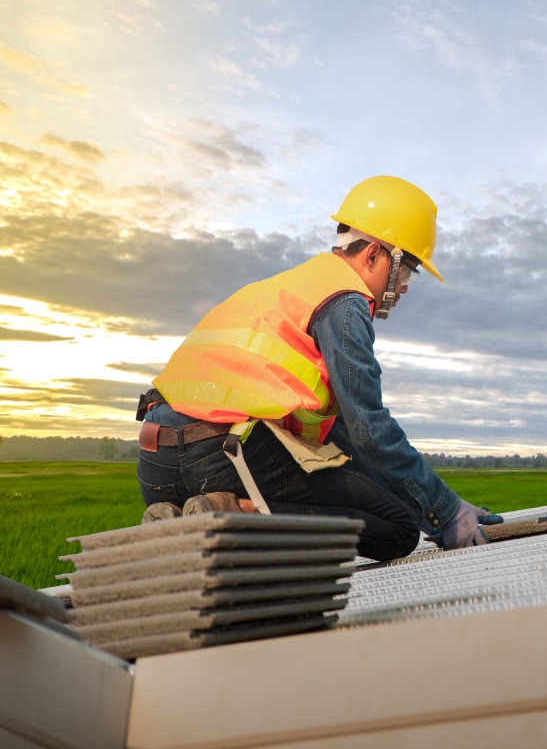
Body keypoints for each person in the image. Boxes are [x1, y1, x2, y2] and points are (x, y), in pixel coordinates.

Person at [135, 175, 499, 559]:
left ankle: (194, 511)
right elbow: (369, 428)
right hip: (224, 455)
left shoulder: (292, 290)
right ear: (374, 254)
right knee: (399, 529)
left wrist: (434, 506)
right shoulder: (344, 302)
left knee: (400, 510)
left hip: (156, 462)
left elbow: (342, 437)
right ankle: (234, 511)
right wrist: (447, 511)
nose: (406, 285)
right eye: (406, 269)